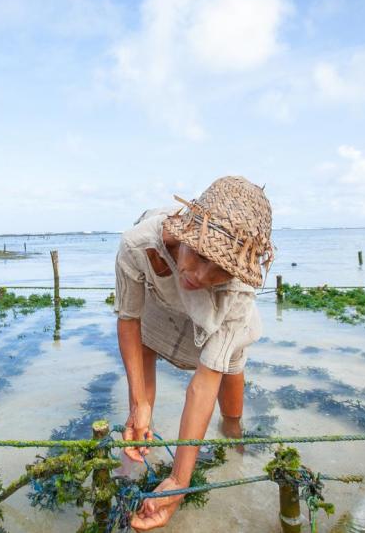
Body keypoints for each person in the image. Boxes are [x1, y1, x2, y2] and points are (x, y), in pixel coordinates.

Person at [113, 176, 274, 530]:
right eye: (200, 256)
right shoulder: (138, 244)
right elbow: (129, 320)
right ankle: (138, 444)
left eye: (219, 270)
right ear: (186, 233)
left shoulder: (238, 293)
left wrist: (180, 481)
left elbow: (203, 384)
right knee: (143, 357)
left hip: (218, 317)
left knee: (230, 383)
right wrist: (140, 403)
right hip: (160, 298)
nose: (201, 275)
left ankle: (234, 439)